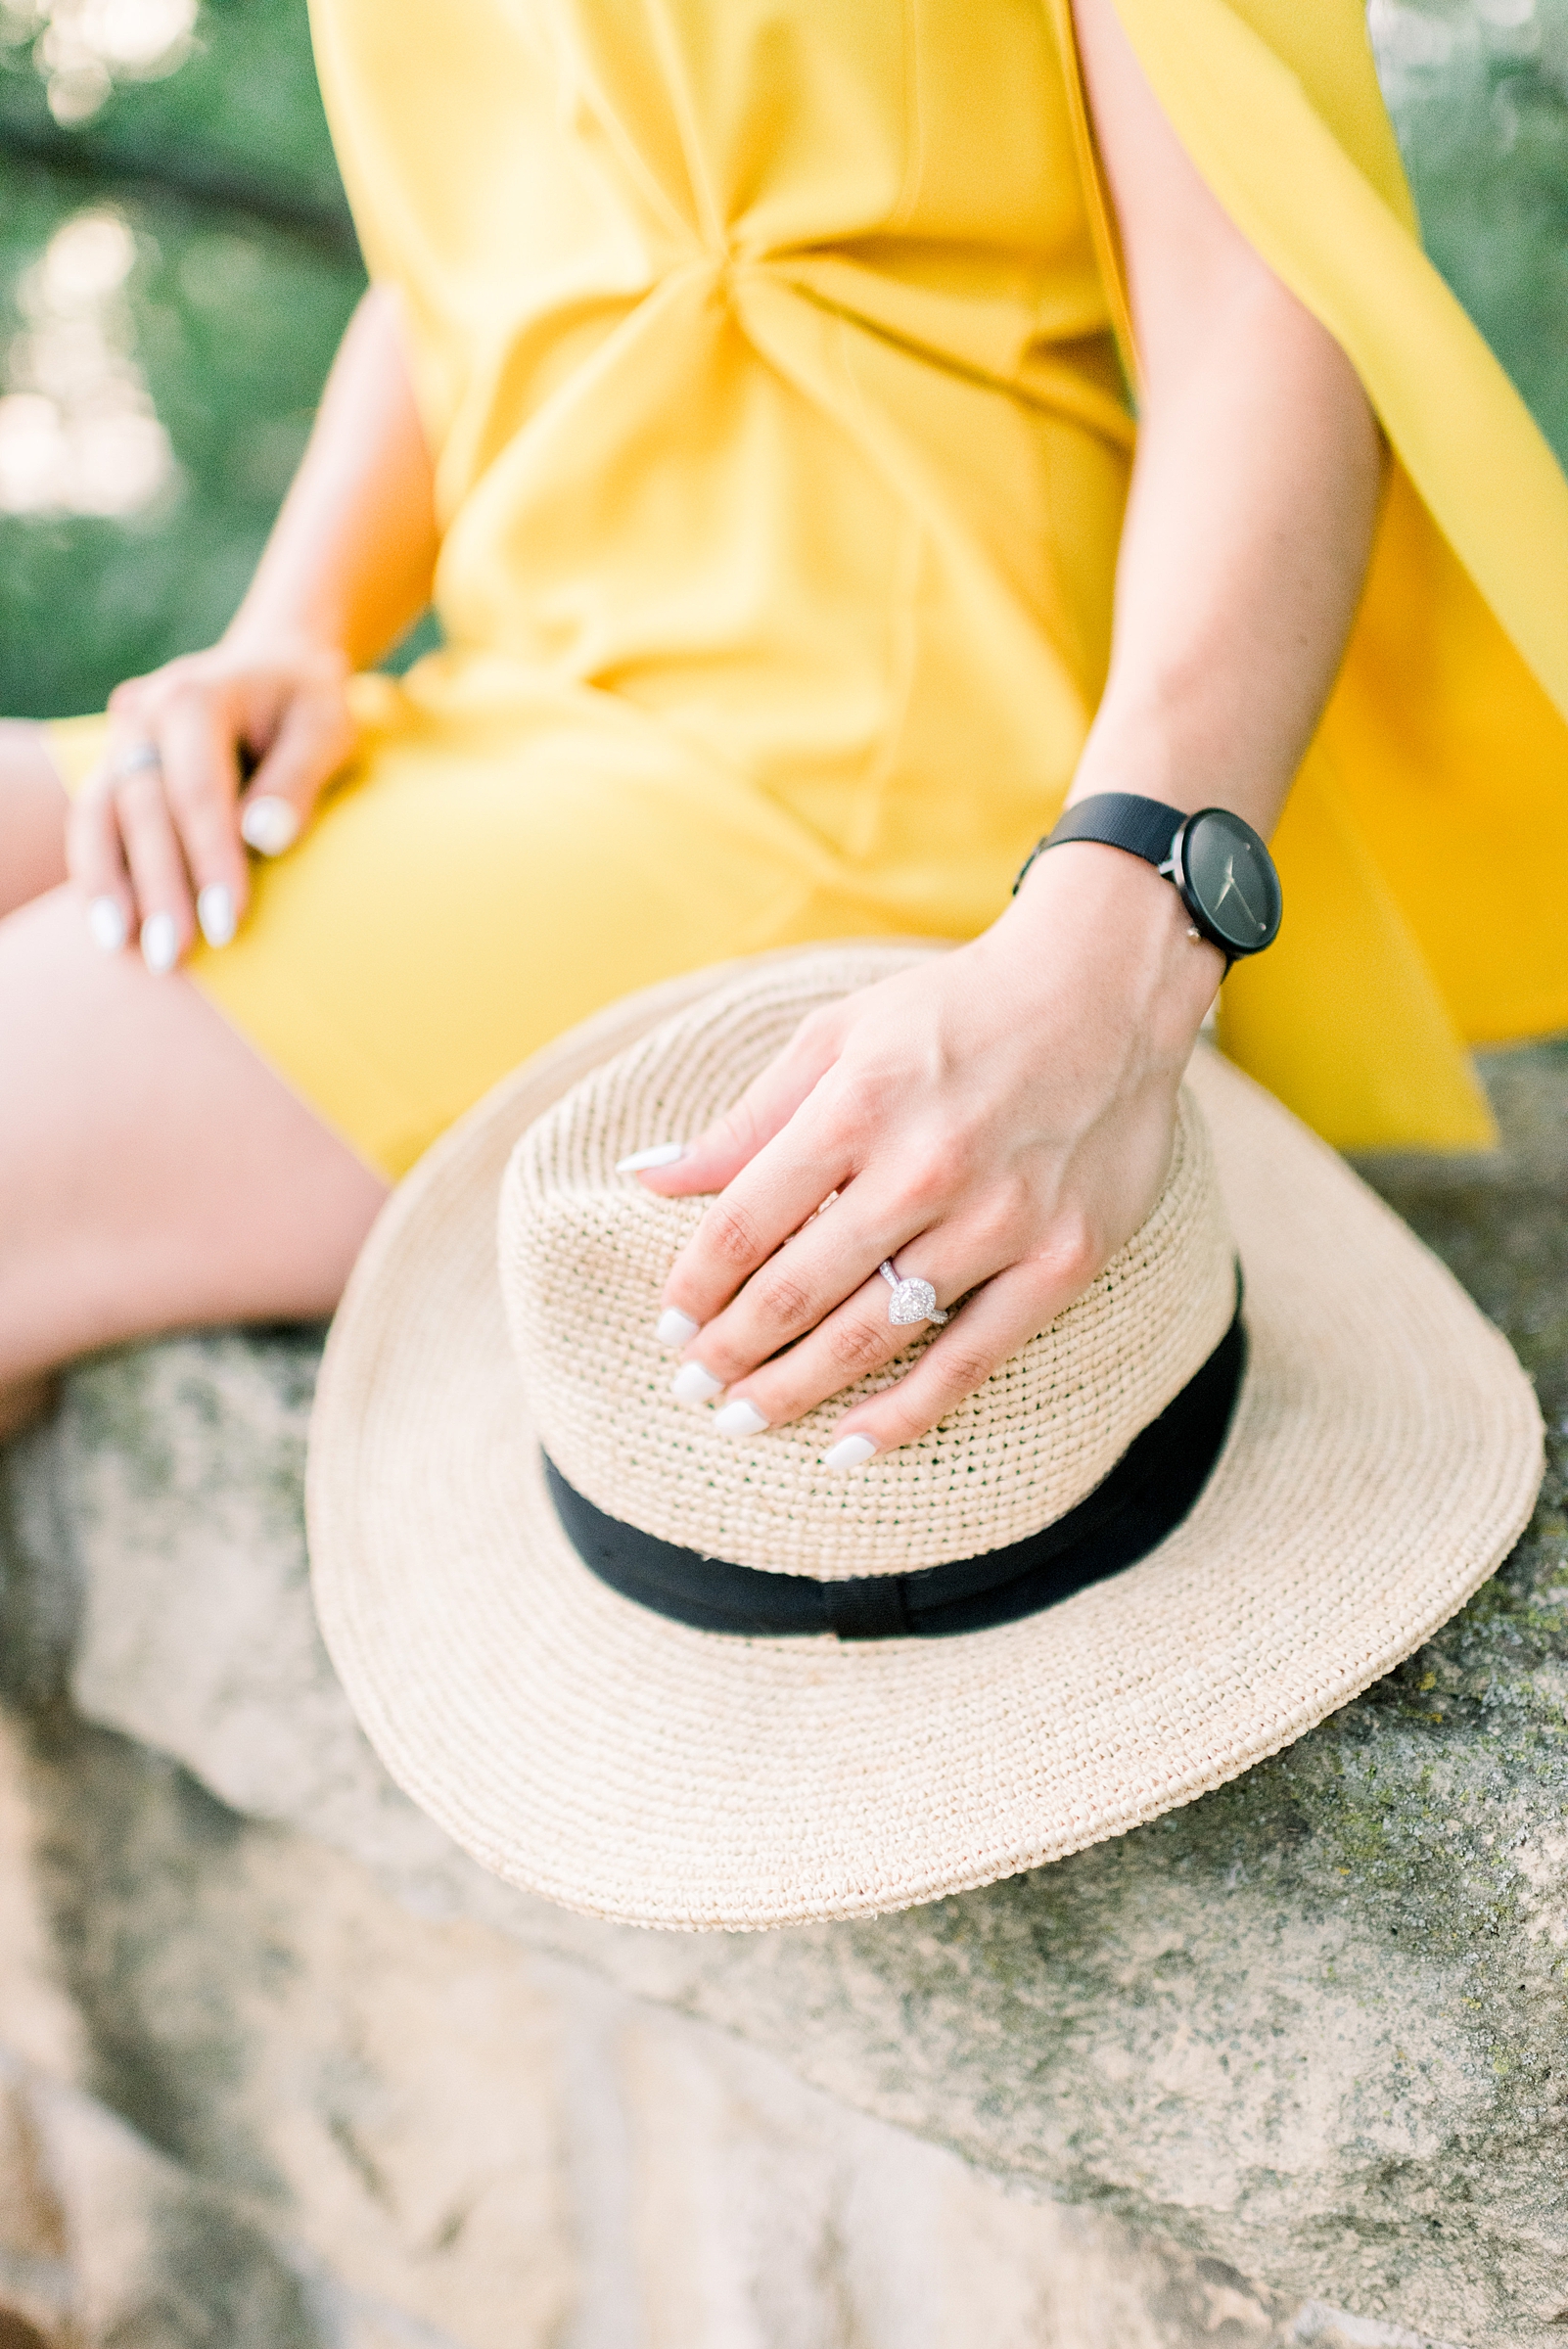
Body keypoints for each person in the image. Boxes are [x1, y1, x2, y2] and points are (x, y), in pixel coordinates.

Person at [1, 0, 1565, 1451]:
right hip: (524, 707)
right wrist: (289, 631)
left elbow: (1261, 297)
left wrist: (1125, 921)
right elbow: (476, 242)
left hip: (888, 758)